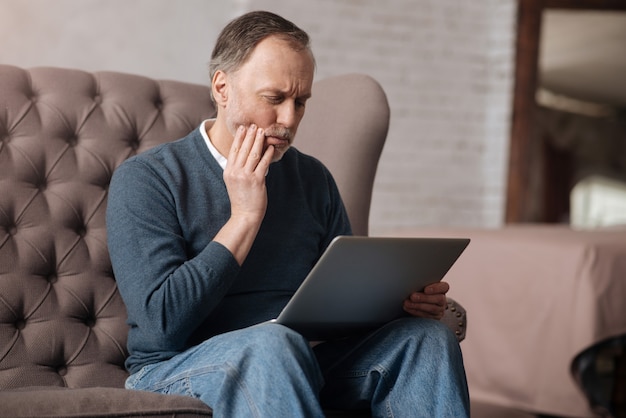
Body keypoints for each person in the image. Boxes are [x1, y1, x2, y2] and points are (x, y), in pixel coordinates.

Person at [106, 10, 469, 417]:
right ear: (222, 88)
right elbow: (162, 323)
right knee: (272, 344)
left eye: (300, 102)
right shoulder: (147, 179)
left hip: (298, 359)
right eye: (274, 99)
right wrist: (244, 216)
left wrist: (401, 305)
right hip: (175, 368)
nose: (289, 120)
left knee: (425, 338)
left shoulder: (312, 178)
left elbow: (340, 303)